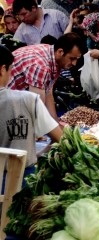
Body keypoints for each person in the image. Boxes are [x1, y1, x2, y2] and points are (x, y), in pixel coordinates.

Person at [0, 42, 62, 170]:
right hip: (19, 181)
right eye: (11, 70)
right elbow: (60, 138)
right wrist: (39, 155)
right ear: (2, 69)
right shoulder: (28, 100)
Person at [8, 33, 84, 120]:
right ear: (60, 52)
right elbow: (37, 107)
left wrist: (55, 122)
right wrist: (57, 131)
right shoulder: (41, 66)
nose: (74, 63)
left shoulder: (51, 53)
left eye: (76, 59)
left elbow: (48, 92)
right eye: (72, 58)